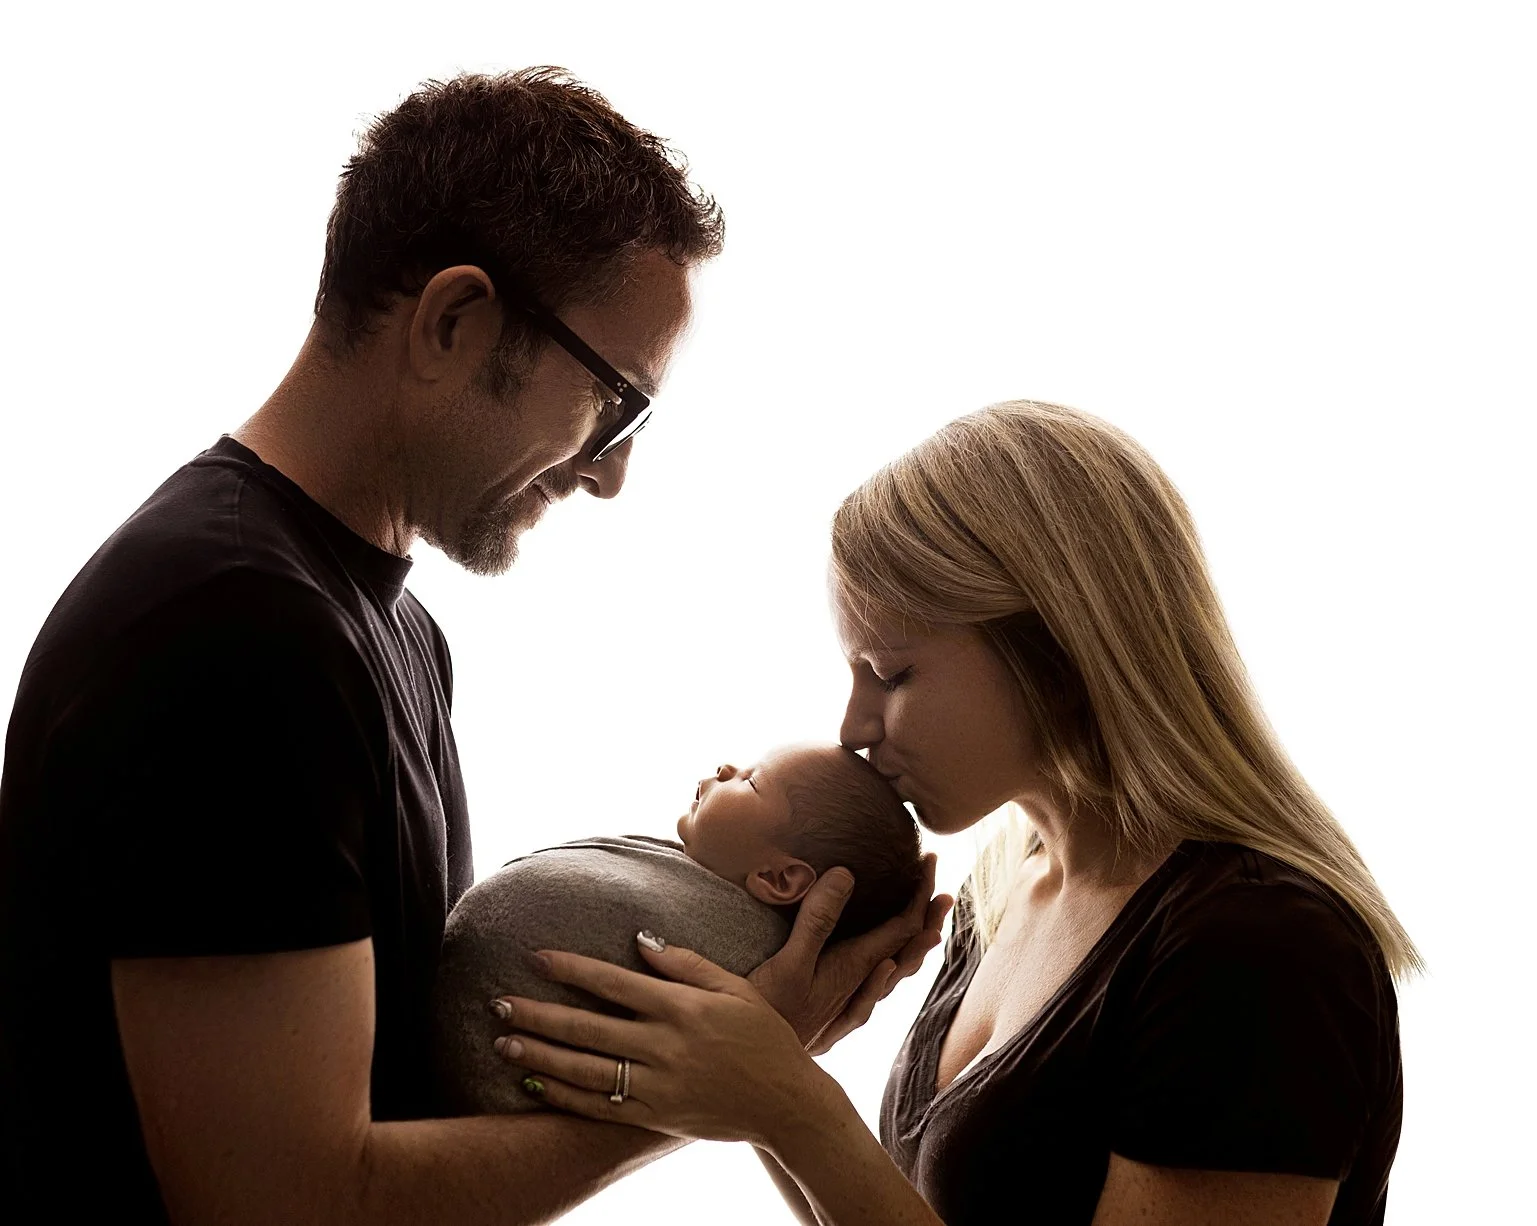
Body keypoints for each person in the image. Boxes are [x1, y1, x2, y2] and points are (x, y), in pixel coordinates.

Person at [0, 69, 946, 1225]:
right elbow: (287, 1206)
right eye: (616, 403)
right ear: (454, 320)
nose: (609, 472)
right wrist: (725, 1080)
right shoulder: (231, 629)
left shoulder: (386, 628)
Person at [484, 400, 1416, 1226]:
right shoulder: (1004, 892)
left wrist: (794, 1109)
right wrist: (764, 1071)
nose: (852, 728)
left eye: (890, 673)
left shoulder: (1258, 947)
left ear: (1055, 643)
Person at [434, 742, 921, 1115]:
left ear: (780, 879)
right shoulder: (697, 886)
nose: (728, 768)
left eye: (751, 782)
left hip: (481, 1084)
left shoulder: (747, 967)